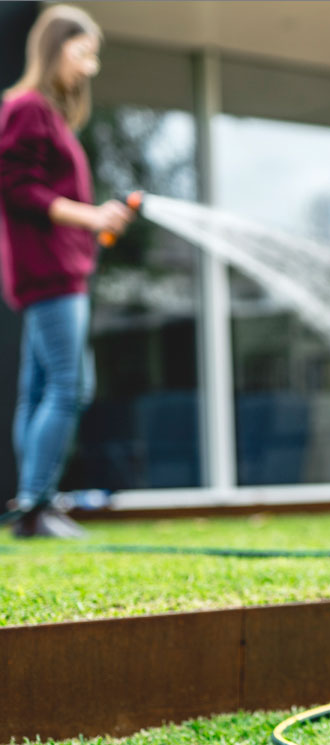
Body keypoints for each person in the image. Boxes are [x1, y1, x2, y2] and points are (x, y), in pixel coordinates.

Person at [0, 5, 134, 538]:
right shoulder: (27, 108)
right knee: (69, 385)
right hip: (52, 272)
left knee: (39, 390)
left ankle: (33, 505)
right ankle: (36, 505)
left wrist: (92, 219)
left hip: (52, 269)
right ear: (54, 49)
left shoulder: (44, 113)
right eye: (82, 54)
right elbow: (17, 187)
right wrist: (91, 215)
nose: (89, 68)